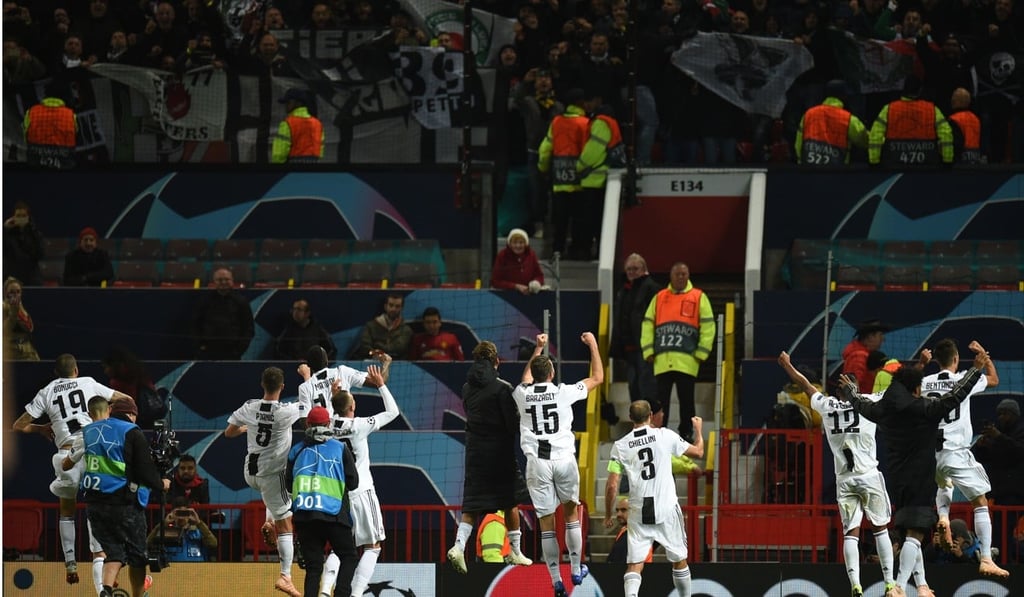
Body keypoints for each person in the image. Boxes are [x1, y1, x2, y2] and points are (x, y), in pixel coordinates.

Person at [839, 346, 992, 597]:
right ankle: (898, 586)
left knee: (912, 531)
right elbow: (955, 396)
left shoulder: (883, 411)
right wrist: (975, 369)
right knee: (915, 534)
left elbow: (860, 404)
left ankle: (920, 586)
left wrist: (849, 390)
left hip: (897, 481)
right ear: (915, 389)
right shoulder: (924, 410)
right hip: (921, 478)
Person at [778, 351, 899, 597]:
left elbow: (805, 384)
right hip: (869, 477)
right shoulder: (870, 402)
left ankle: (855, 584)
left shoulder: (828, 406)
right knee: (880, 529)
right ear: (856, 390)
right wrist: (921, 365)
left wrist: (787, 366)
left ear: (839, 392)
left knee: (851, 534)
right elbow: (899, 391)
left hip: (845, 480)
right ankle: (889, 583)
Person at [13, 354, 131, 588]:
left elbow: (18, 425)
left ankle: (70, 563)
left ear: (57, 373)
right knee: (95, 509)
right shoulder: (88, 383)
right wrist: (111, 417)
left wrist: (41, 428)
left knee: (66, 512)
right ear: (76, 370)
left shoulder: (46, 392)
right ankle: (99, 571)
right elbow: (125, 399)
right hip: (91, 451)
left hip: (65, 453)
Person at [511, 332, 603, 597]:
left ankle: (555, 580)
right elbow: (597, 377)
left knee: (546, 522)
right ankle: (575, 568)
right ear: (551, 373)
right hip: (563, 460)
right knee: (571, 514)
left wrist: (538, 348)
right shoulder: (564, 392)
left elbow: (526, 378)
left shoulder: (522, 393)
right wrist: (593, 345)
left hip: (537, 464)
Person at [63, 396, 169, 597]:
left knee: (113, 554)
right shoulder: (132, 432)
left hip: (94, 506)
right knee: (138, 557)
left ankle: (106, 591)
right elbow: (145, 471)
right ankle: (138, 595)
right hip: (123, 504)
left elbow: (68, 462)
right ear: (132, 414)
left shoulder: (88, 431)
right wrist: (161, 484)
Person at [923, 339, 1008, 578]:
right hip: (956, 450)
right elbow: (994, 380)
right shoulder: (965, 379)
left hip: (933, 453)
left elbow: (910, 393)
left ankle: (943, 517)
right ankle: (986, 559)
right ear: (957, 359)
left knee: (944, 483)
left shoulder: (925, 382)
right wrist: (984, 356)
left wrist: (921, 365)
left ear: (937, 360)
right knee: (980, 502)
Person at [447, 340, 533, 574]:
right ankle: (515, 551)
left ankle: (458, 546)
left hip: (475, 452)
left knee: (472, 504)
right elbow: (511, 423)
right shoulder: (502, 387)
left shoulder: (466, 387)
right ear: (497, 361)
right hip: (499, 453)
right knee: (511, 501)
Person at [603, 401, 704, 597]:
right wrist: (698, 430)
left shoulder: (620, 446)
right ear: (650, 415)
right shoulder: (664, 435)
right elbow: (698, 452)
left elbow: (612, 485)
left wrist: (608, 514)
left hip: (639, 509)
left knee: (635, 563)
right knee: (679, 559)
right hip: (666, 506)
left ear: (630, 418)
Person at [224, 367, 306, 597]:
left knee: (276, 498)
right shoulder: (286, 412)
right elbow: (308, 405)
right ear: (282, 387)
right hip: (271, 474)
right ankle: (285, 576)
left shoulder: (250, 406)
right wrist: (308, 378)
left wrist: (248, 426)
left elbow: (228, 433)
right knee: (286, 523)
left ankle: (269, 520)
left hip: (249, 473)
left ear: (262, 385)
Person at [324, 366, 398, 597]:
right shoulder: (359, 426)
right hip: (362, 491)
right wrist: (381, 385)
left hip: (338, 495)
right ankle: (356, 594)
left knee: (341, 547)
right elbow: (392, 412)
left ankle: (326, 590)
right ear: (353, 407)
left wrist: (332, 394)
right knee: (373, 546)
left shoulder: (326, 426)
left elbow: (329, 412)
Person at [286, 406, 359, 597]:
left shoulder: (296, 450)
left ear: (308, 424)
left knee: (313, 568)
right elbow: (353, 483)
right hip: (335, 516)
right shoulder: (340, 447)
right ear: (329, 424)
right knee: (349, 557)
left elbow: (288, 485)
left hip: (305, 518)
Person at [640, 262, 715, 439]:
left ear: (688, 276)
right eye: (677, 274)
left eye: (684, 274)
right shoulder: (659, 297)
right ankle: (658, 434)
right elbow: (647, 324)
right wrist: (648, 350)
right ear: (671, 276)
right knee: (661, 402)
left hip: (687, 361)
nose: (681, 277)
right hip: (662, 361)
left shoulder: (698, 297)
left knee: (687, 401)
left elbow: (708, 326)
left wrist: (702, 352)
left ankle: (687, 433)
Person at [537, 88, 589, 260]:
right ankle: (578, 250)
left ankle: (557, 250)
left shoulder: (556, 122)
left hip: (559, 181)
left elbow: (545, 149)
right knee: (579, 219)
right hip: (580, 182)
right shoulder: (585, 123)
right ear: (581, 103)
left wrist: (543, 168)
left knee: (560, 220)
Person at [972, 398, 1024, 562]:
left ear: (1014, 415)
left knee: (1008, 532)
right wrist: (981, 446)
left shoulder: (1020, 431)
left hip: (1017, 491)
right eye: (999, 414)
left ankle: (1010, 562)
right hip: (1000, 492)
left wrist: (998, 437)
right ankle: (1002, 561)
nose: (1001, 417)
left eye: (1005, 414)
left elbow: (1018, 452)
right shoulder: (997, 432)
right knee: (1000, 534)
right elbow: (979, 457)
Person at [610, 253, 661, 413]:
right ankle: (638, 418)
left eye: (635, 269)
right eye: (629, 269)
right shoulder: (623, 290)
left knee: (647, 386)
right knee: (634, 386)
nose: (631, 272)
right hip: (629, 348)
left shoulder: (652, 288)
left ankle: (650, 421)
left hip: (646, 348)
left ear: (644, 269)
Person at [868, 76, 953, 168]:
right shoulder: (932, 109)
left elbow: (875, 136)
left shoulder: (889, 109)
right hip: (927, 165)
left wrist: (874, 162)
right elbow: (946, 135)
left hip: (894, 163)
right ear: (920, 90)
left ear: (903, 89)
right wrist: (947, 161)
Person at [576, 101, 622, 259]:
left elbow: (593, 149)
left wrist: (579, 166)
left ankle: (586, 252)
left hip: (593, 180)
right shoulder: (612, 123)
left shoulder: (601, 124)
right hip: (603, 178)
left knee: (588, 220)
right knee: (598, 221)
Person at [296, 345, 389, 418]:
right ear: (327, 360)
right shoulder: (342, 372)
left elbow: (304, 420)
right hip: (345, 428)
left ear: (309, 365)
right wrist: (386, 363)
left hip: (323, 434)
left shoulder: (306, 386)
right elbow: (379, 382)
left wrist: (306, 377)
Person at [794, 79, 868, 166]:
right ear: (843, 96)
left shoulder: (809, 114)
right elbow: (864, 140)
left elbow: (798, 144)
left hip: (809, 172)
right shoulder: (848, 119)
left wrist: (801, 165)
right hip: (837, 174)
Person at [191, 267, 255, 360]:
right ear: (214, 282)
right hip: (208, 352)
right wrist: (200, 348)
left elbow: (248, 328)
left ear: (232, 281)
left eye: (226, 279)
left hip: (233, 352)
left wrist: (239, 350)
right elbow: (195, 326)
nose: (223, 282)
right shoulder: (205, 301)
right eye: (220, 280)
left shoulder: (241, 302)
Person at [22, 79, 78, 169]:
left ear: (45, 96)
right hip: (65, 163)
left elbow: (25, 135)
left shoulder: (32, 112)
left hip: (36, 162)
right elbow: (74, 135)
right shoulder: (70, 115)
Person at [146, 496, 218, 562]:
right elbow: (148, 543)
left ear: (189, 513)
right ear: (172, 513)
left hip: (197, 570)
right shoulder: (166, 531)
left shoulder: (198, 531)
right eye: (178, 513)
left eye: (184, 513)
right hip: (173, 570)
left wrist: (199, 523)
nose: (181, 517)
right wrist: (163, 524)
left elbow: (213, 543)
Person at [349, 293, 412, 360]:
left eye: (397, 306)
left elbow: (400, 348)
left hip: (396, 363)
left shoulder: (406, 329)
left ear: (401, 308)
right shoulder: (371, 326)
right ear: (385, 306)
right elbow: (365, 346)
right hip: (372, 361)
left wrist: (378, 345)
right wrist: (374, 354)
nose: (393, 309)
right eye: (391, 305)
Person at [272, 88, 324, 164]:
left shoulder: (288, 123)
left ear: (298, 103)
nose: (286, 105)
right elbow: (320, 150)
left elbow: (279, 154)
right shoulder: (317, 124)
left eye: (288, 102)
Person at [491, 228, 545, 294]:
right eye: (514, 242)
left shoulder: (531, 255)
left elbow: (539, 276)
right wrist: (515, 286)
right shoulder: (502, 256)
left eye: (521, 242)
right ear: (510, 244)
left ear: (526, 244)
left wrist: (537, 282)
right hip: (506, 295)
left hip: (529, 295)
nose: (518, 245)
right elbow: (496, 281)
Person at [842, 320, 890, 394]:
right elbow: (852, 387)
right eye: (880, 335)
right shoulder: (859, 357)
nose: (883, 339)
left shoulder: (864, 355)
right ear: (870, 337)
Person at [3, 201, 43, 286]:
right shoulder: (7, 234)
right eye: (18, 216)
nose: (21, 218)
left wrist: (31, 231)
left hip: (32, 279)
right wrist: (4, 229)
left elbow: (40, 254)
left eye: (24, 216)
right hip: (12, 279)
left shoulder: (35, 234)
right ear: (13, 217)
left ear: (28, 217)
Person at [606, 496, 654, 564]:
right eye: (617, 510)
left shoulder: (635, 534)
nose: (618, 514)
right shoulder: (625, 530)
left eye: (623, 510)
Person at [3, 277, 39, 361]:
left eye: (18, 292)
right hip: (9, 353)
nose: (15, 294)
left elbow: (30, 328)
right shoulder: (3, 308)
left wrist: (19, 310)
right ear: (5, 293)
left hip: (26, 353)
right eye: (12, 292)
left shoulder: (21, 308)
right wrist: (13, 314)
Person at [948, 87, 982, 164]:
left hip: (960, 162)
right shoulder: (976, 119)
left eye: (954, 98)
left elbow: (956, 144)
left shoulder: (954, 119)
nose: (952, 100)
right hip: (975, 159)